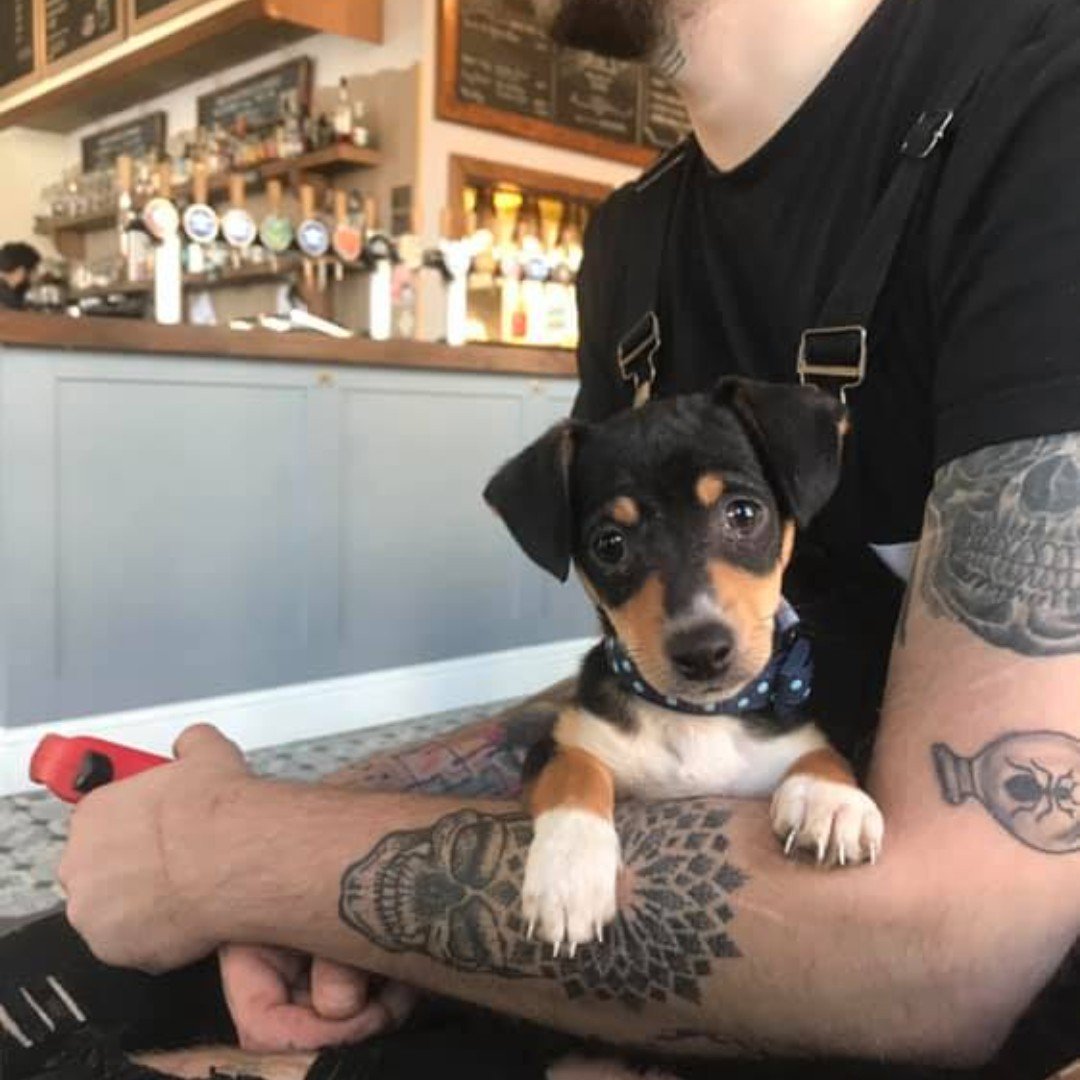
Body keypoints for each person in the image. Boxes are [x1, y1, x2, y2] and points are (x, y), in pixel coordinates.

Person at [8, 0, 1080, 1076]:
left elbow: (946, 956)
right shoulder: (635, 236)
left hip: (931, 996)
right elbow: (625, 703)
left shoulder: (1041, 106)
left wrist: (229, 857)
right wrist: (281, 817)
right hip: (718, 851)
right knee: (57, 984)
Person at [0, 242, 41, 310]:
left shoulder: (12, 294)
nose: (36, 275)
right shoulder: (8, 301)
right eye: (34, 270)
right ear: (21, 271)